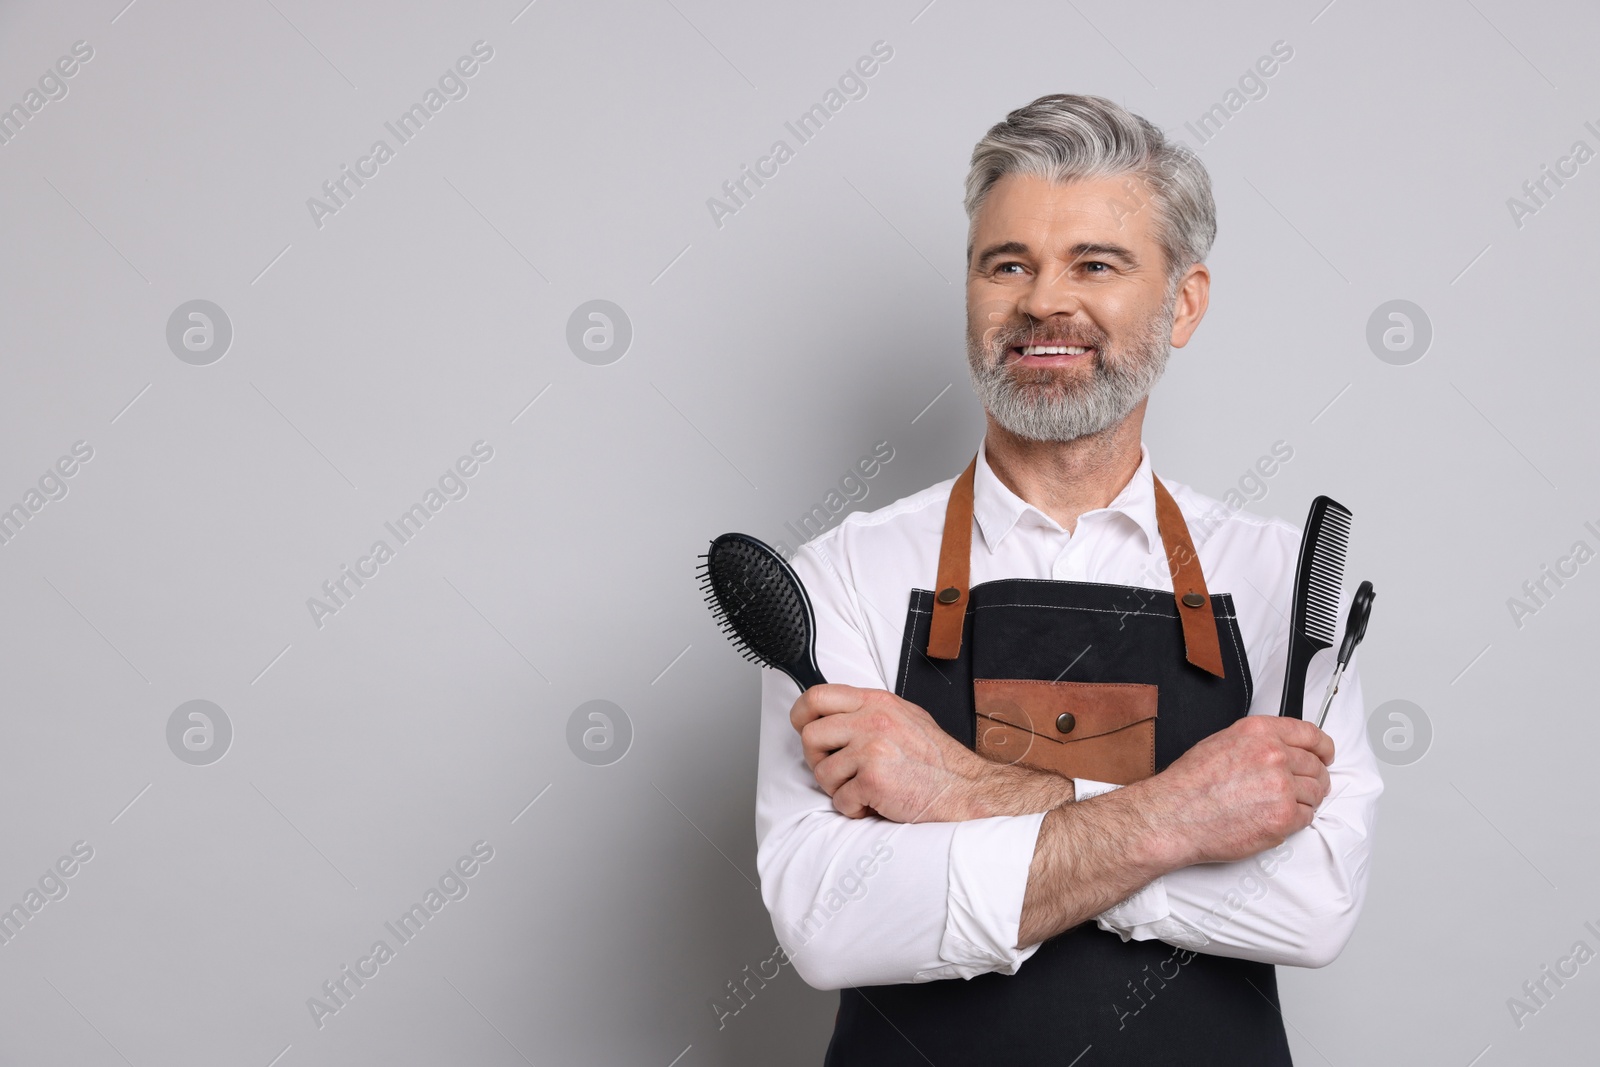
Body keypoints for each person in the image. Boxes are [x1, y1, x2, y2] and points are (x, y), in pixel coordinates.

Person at [753, 93, 1382, 1066]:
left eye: (1095, 263)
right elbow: (826, 918)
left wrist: (957, 786)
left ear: (1182, 302)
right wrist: (1185, 816)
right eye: (1008, 264)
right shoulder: (844, 574)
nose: (1045, 301)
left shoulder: (1279, 578)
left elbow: (1309, 903)